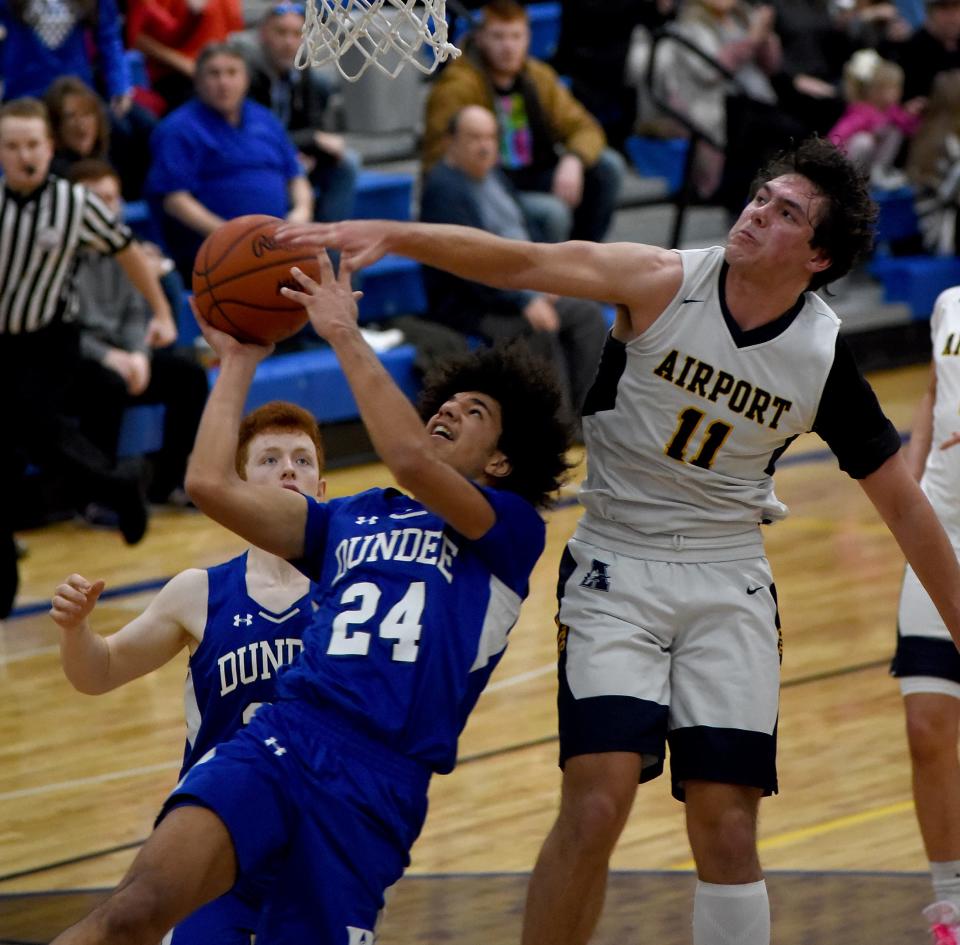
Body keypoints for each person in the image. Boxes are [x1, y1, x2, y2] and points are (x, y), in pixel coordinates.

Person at [275, 136, 960, 945]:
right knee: (597, 799)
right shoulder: (663, 280)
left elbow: (907, 510)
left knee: (727, 825)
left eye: (785, 213)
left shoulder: (820, 358)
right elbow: (526, 260)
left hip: (727, 571)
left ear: (816, 256)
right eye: (761, 196)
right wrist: (398, 234)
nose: (756, 212)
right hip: (616, 560)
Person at [49, 249, 572, 944]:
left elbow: (411, 458)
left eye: (472, 411)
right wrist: (237, 358)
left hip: (375, 784)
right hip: (284, 732)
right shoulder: (348, 517)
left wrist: (343, 333)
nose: (447, 407)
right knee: (132, 913)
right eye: (446, 399)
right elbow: (209, 485)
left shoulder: (508, 534)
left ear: (501, 461)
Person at [50, 399, 326, 945]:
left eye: (302, 459)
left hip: (319, 848)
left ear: (322, 487)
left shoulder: (353, 593)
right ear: (239, 485)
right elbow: (98, 672)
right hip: (218, 845)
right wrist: (75, 631)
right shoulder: (199, 592)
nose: (289, 468)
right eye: (269, 459)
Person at [0, 97, 176, 620]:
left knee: (36, 431)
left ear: (49, 147)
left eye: (33, 144)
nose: (24, 155)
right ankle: (117, 483)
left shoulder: (74, 204)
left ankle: (116, 486)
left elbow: (128, 251)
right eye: (12, 146)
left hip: (50, 339)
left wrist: (162, 311)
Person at [420, 104, 607, 426]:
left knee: (587, 316)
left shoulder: (494, 176)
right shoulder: (443, 189)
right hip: (476, 305)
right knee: (539, 328)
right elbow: (470, 267)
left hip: (520, 288)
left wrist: (548, 279)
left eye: (491, 137)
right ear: (452, 141)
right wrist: (523, 299)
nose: (485, 146)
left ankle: (590, 417)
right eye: (475, 137)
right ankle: (554, 430)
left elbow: (529, 234)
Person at [422, 0, 625, 243]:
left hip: (536, 173)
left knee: (608, 166)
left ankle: (586, 254)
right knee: (552, 214)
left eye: (515, 36)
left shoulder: (538, 77)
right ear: (480, 38)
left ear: (527, 38)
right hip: (491, 184)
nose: (508, 47)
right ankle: (550, 275)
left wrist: (574, 159)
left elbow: (585, 127)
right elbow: (439, 157)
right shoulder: (457, 86)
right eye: (499, 37)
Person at [68, 159, 209, 507]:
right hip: (75, 360)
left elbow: (134, 312)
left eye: (112, 199)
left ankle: (169, 483)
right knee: (105, 383)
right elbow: (63, 329)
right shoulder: (57, 257)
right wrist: (110, 357)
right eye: (96, 200)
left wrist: (138, 356)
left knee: (188, 375)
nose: (107, 209)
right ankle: (96, 500)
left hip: (124, 355)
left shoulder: (125, 251)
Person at [890, 286, 960, 945]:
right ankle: (953, 906)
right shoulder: (949, 303)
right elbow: (935, 398)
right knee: (926, 726)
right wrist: (906, 483)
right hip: (943, 537)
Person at [145, 42, 313, 279]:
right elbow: (175, 200)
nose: (224, 82)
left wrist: (301, 213)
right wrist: (231, 235)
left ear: (246, 79)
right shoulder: (178, 129)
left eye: (232, 73)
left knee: (331, 256)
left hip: (278, 242)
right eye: (214, 74)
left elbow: (296, 176)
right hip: (215, 249)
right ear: (198, 80)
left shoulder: (266, 119)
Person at [243, 1, 360, 224]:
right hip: (259, 158)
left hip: (295, 154)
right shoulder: (247, 76)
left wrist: (307, 147)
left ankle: (327, 241)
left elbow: (314, 124)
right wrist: (308, 142)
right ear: (263, 35)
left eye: (297, 34)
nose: (289, 42)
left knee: (347, 163)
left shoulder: (307, 75)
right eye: (281, 33)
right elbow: (256, 137)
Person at [0, 0, 132, 112]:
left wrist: (119, 86)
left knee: (127, 129)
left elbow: (109, 38)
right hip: (23, 92)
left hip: (76, 91)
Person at [828, 48, 922, 186]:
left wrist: (911, 114)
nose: (899, 92)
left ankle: (879, 173)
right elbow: (840, 133)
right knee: (864, 141)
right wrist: (829, 157)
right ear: (877, 90)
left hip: (872, 164)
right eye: (893, 88)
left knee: (896, 131)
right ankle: (850, 180)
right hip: (848, 163)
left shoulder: (891, 110)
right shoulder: (862, 111)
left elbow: (909, 128)